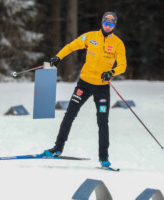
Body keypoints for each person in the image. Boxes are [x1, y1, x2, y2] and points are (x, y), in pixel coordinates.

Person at [43, 12, 127, 167]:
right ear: (102, 23)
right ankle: (58, 148)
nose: (108, 26)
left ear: (115, 26)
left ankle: (104, 157)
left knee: (103, 122)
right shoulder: (90, 37)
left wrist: (111, 72)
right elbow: (71, 46)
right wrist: (58, 57)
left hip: (102, 88)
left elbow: (122, 65)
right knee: (70, 114)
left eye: (111, 24)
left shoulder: (117, 43)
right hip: (84, 84)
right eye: (106, 23)